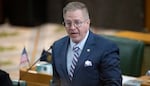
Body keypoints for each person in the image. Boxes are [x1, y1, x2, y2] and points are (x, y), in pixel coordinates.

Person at [51, 1, 122, 86]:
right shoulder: (57, 47)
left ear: (88, 23)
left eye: (77, 23)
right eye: (68, 23)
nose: (72, 28)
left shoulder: (106, 48)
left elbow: (114, 84)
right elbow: (56, 82)